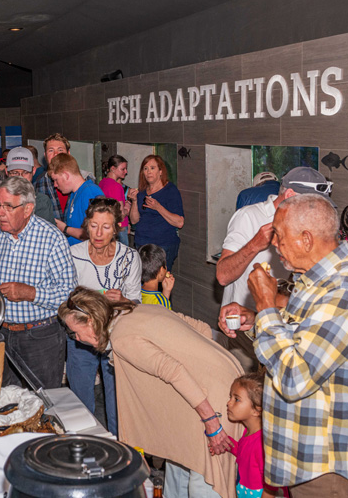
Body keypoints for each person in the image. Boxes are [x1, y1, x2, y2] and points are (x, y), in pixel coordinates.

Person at [218, 194, 348, 498]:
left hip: (333, 465)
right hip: (309, 457)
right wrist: (256, 318)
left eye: (280, 236)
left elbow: (295, 377)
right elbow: (296, 344)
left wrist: (267, 306)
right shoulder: (314, 281)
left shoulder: (346, 287)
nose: (275, 244)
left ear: (306, 239)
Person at [60, 288, 243, 498]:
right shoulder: (135, 310)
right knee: (178, 461)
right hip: (220, 382)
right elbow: (200, 328)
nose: (76, 338)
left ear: (91, 321)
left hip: (216, 401)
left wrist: (211, 421)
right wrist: (204, 366)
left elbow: (172, 371)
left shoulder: (122, 337)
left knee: (204, 483)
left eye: (74, 331)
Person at [216, 167, 332, 371]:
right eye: (311, 206)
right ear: (289, 196)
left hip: (285, 325)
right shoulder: (249, 216)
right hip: (244, 328)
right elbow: (223, 276)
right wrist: (255, 244)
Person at [0, 176, 76, 389]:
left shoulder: (51, 239)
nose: (0, 213)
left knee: (42, 403)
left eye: (8, 206)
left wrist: (31, 293)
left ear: (28, 209)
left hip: (40, 337)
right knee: (4, 402)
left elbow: (70, 294)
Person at [67, 198, 141, 437]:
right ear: (86, 225)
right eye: (94, 225)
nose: (98, 233)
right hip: (80, 336)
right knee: (80, 400)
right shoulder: (73, 255)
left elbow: (136, 304)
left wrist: (122, 300)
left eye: (106, 227)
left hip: (115, 335)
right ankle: (84, 447)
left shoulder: (129, 258)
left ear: (116, 228)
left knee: (117, 399)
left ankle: (120, 451)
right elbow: (63, 299)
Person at [0, 147, 56, 276]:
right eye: (15, 173)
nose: (20, 178)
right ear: (7, 172)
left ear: (33, 171)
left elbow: (51, 242)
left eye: (25, 173)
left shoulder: (42, 202)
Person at [225, 372, 285, 498]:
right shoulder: (248, 432)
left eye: (236, 399)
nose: (229, 403)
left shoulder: (262, 442)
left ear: (257, 410)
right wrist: (227, 443)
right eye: (230, 397)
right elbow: (245, 454)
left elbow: (271, 482)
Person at [129, 155, 184, 270]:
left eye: (152, 168)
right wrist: (134, 201)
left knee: (158, 283)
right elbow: (134, 220)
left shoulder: (170, 191)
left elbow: (179, 223)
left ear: (160, 171)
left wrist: (158, 207)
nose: (149, 172)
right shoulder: (142, 192)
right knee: (143, 282)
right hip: (141, 244)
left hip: (162, 245)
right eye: (145, 168)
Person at [34, 133, 94, 221]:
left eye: (60, 150)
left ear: (68, 154)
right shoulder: (39, 183)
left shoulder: (85, 180)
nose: (56, 154)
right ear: (45, 155)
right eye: (51, 150)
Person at [49, 153, 104, 246]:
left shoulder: (90, 192)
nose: (55, 185)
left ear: (66, 175)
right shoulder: (75, 193)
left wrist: (65, 229)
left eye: (56, 180)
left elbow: (96, 234)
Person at [99, 155, 132, 245]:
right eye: (123, 169)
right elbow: (120, 214)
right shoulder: (116, 186)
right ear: (113, 168)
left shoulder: (102, 182)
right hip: (119, 228)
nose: (126, 172)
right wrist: (127, 206)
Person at [138, 244, 175, 308]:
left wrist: (166, 290)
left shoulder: (134, 290)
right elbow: (165, 315)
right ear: (161, 271)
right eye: (165, 266)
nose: (166, 268)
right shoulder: (161, 303)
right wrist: (165, 297)